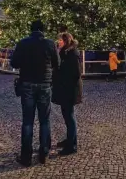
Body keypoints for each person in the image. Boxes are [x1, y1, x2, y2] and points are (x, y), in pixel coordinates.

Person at [11, 20, 60, 166]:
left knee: (27, 121)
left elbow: (14, 63)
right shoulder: (50, 43)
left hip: (27, 83)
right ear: (43, 30)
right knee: (44, 120)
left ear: (31, 29)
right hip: (45, 84)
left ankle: (26, 156)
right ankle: (44, 153)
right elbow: (57, 63)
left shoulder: (23, 43)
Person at [52, 32, 82, 156]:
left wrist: (61, 76)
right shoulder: (65, 52)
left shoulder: (71, 53)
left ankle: (72, 145)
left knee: (69, 116)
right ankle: (70, 139)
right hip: (66, 88)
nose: (58, 42)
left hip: (70, 90)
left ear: (65, 41)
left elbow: (76, 73)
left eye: (59, 40)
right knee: (67, 115)